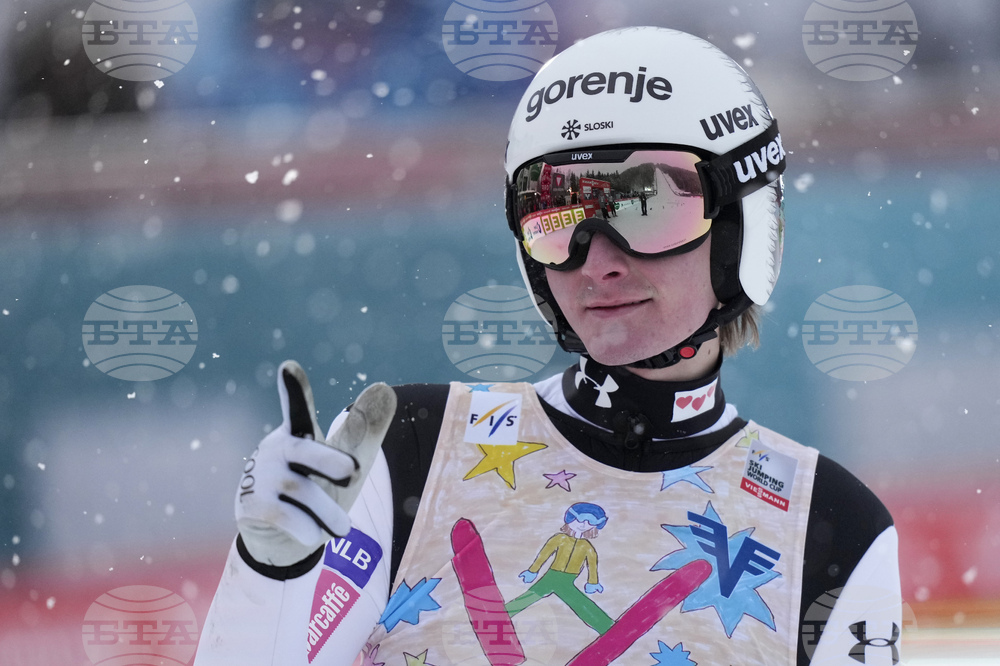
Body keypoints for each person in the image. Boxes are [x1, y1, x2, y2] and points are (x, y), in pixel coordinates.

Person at [195, 27, 902, 666]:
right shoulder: (411, 448)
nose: (599, 262)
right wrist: (271, 569)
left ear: (741, 225)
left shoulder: (833, 526)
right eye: (558, 215)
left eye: (647, 207)